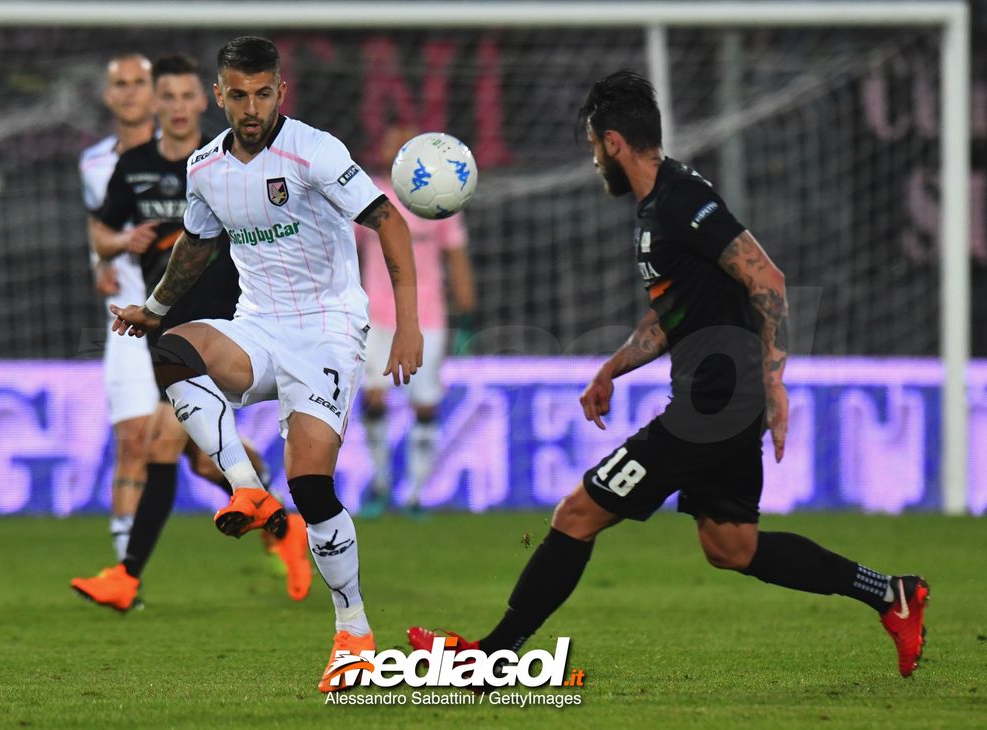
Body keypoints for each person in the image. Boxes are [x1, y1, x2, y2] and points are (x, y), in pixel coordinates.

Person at [408, 70, 929, 679]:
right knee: (731, 545)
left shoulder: (683, 200)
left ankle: (492, 658)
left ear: (612, 143)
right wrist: (614, 368)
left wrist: (776, 381)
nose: (593, 157)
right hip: (722, 402)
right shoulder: (662, 206)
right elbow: (674, 311)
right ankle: (890, 593)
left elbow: (767, 277)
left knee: (577, 514)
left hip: (713, 405)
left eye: (592, 144)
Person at [110, 37, 423, 692]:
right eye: (238, 94)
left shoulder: (314, 151)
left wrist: (408, 324)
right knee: (172, 348)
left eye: (262, 93)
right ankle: (245, 485)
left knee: (311, 488)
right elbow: (195, 246)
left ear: (279, 92)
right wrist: (157, 305)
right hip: (259, 325)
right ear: (219, 95)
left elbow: (388, 222)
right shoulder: (206, 169)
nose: (250, 108)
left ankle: (353, 631)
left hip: (330, 329)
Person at [72, 54, 311, 611]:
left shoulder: (224, 162)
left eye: (187, 97)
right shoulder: (133, 165)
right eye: (168, 98)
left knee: (160, 441)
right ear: (157, 104)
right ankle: (285, 530)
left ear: (203, 100)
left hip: (227, 323)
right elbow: (101, 229)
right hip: (168, 326)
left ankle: (127, 576)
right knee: (201, 458)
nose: (178, 108)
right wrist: (115, 246)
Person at [355, 124, 476, 519]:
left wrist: (469, 311)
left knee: (424, 405)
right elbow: (344, 250)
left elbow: (456, 256)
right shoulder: (368, 196)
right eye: (391, 141)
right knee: (374, 396)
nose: (395, 148)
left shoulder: (440, 198)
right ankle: (382, 482)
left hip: (428, 318)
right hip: (376, 315)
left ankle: (415, 494)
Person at [78, 52, 157, 562]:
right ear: (108, 96)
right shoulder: (93, 162)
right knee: (132, 440)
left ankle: (272, 519)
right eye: (119, 85)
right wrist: (96, 264)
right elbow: (98, 230)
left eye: (138, 83)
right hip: (126, 317)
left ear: (154, 93)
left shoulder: (187, 155)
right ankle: (127, 576)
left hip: (186, 317)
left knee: (201, 455)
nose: (129, 92)